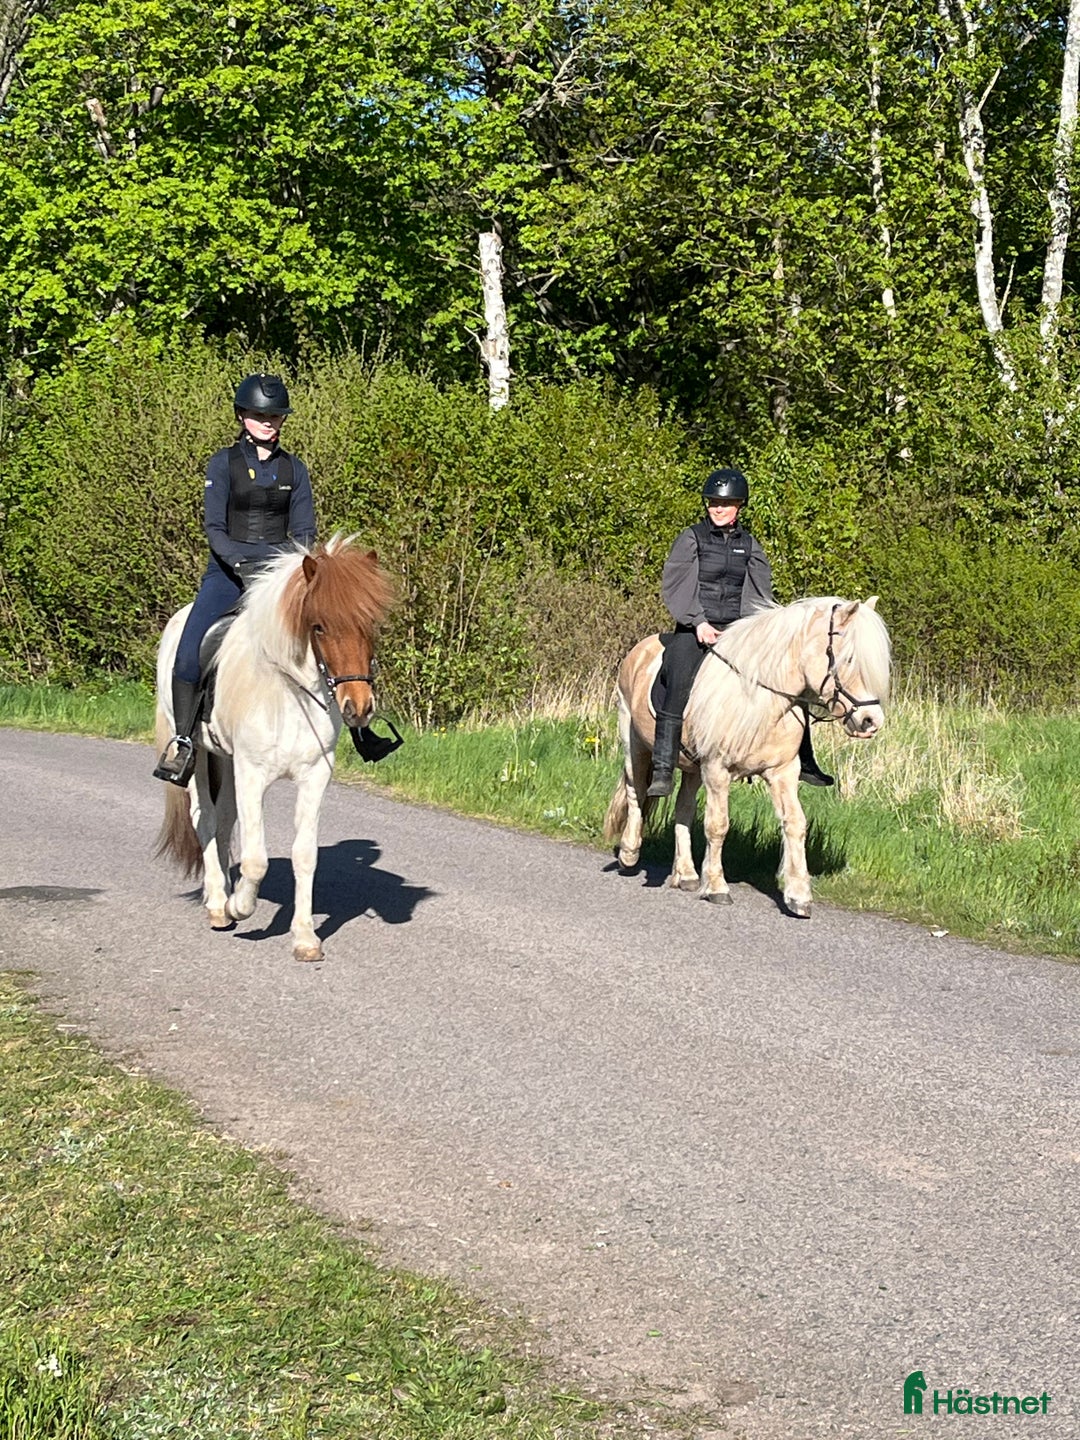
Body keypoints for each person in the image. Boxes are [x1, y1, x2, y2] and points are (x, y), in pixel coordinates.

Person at [153, 373, 317, 785]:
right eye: (261, 414)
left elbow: (304, 533)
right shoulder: (222, 463)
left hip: (279, 579)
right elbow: (214, 526)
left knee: (335, 634)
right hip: (227, 573)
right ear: (242, 414)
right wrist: (240, 565)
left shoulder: (294, 469)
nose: (269, 421)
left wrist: (287, 573)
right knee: (189, 652)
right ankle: (184, 742)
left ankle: (359, 729)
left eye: (276, 415)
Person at [647, 466, 834, 798]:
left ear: (739, 506)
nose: (718, 509)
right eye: (713, 503)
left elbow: (758, 595)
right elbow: (677, 585)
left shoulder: (749, 545)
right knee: (676, 671)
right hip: (696, 629)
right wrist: (698, 622)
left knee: (790, 677)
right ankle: (662, 767)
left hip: (737, 632)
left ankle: (805, 759)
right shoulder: (691, 538)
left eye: (727, 503)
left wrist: (750, 632)